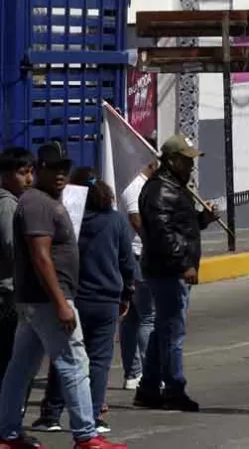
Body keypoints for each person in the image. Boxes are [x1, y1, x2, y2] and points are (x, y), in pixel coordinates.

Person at [0, 143, 126, 449]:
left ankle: (7, 433)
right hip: (47, 300)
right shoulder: (36, 204)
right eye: (52, 168)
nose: (59, 174)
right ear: (39, 169)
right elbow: (40, 256)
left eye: (63, 169)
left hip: (36, 299)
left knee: (21, 366)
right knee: (74, 361)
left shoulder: (41, 200)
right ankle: (86, 434)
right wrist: (61, 303)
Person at [31, 169, 135, 436]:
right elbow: (127, 261)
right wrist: (127, 293)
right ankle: (95, 415)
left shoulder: (68, 223)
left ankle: (51, 413)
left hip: (74, 299)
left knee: (64, 357)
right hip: (106, 300)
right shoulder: (116, 221)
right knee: (99, 360)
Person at [133, 134, 220, 413]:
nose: (190, 165)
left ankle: (148, 388)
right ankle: (174, 388)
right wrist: (184, 263)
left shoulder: (175, 187)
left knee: (163, 330)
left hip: (169, 268)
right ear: (171, 161)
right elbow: (163, 234)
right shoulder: (160, 190)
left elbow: (182, 225)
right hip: (167, 270)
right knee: (173, 331)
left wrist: (203, 219)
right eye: (185, 160)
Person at [118, 148, 156, 392]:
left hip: (135, 255)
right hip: (138, 255)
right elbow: (135, 218)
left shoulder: (143, 184)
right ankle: (145, 372)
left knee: (132, 318)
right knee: (146, 317)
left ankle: (133, 373)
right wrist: (154, 243)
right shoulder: (135, 184)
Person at [0, 149, 33, 386]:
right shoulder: (8, 205)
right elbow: (13, 249)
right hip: (7, 294)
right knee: (9, 357)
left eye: (31, 172)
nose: (29, 179)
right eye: (22, 173)